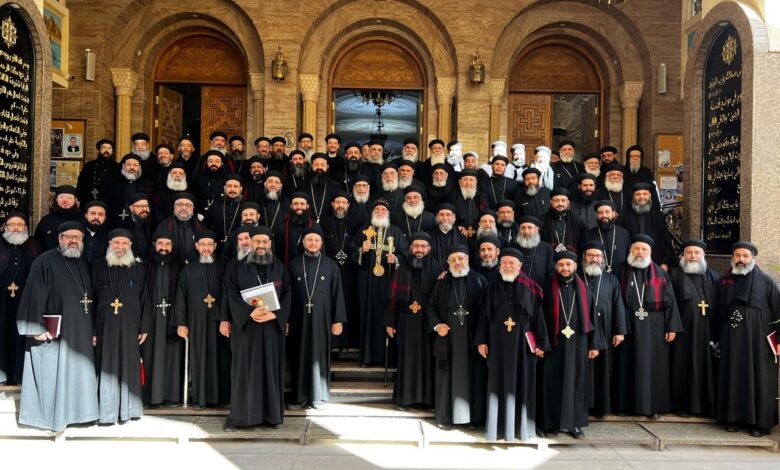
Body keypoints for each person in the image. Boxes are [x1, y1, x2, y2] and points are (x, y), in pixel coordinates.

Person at [16, 221, 98, 431]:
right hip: (53, 333)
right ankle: (52, 418)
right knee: (53, 375)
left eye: (77, 237)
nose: (73, 241)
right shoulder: (45, 261)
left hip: (80, 331)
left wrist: (92, 330)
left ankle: (80, 414)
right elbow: (34, 294)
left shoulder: (83, 262)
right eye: (69, 236)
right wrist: (36, 327)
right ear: (60, 238)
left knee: (78, 372)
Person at [223, 226, 290, 431]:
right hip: (246, 329)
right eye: (257, 241)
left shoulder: (280, 267)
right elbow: (231, 293)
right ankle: (241, 417)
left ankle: (272, 416)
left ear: (270, 244)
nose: (261, 245)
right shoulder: (236, 267)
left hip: (271, 328)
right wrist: (249, 312)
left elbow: (288, 295)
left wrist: (276, 315)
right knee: (244, 371)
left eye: (265, 242)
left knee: (271, 369)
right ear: (250, 242)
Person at [476, 248, 547, 442]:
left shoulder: (531, 287)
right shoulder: (492, 287)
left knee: (522, 383)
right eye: (504, 263)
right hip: (497, 344)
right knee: (496, 384)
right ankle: (497, 430)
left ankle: (520, 430)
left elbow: (538, 318)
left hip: (522, 347)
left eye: (511, 263)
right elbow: (484, 316)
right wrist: (482, 341)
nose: (507, 266)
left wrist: (541, 343)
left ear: (520, 265)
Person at [715, 241, 780, 437]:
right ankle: (733, 419)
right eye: (737, 255)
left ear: (753, 258)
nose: (741, 259)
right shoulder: (724, 282)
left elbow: (778, 312)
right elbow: (718, 312)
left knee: (759, 379)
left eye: (745, 256)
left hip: (758, 342)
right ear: (732, 258)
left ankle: (759, 424)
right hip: (732, 340)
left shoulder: (766, 282)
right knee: (733, 376)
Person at [615, 234, 682, 418]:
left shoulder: (660, 273)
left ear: (650, 252)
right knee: (627, 364)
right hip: (627, 324)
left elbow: (670, 301)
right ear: (630, 250)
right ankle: (625, 405)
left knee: (653, 367)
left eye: (644, 249)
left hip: (654, 327)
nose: (640, 252)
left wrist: (672, 327)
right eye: (636, 248)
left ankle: (653, 407)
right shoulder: (620, 270)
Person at [541, 250, 605, 438]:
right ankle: (551, 423)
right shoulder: (547, 288)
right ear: (556, 266)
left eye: (568, 264)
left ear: (575, 266)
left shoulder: (584, 290)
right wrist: (542, 343)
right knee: (553, 382)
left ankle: (575, 424)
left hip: (579, 344)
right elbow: (540, 318)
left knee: (577, 383)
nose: (565, 268)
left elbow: (593, 319)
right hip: (554, 344)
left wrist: (594, 344)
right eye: (561, 265)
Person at [92, 228, 150, 424]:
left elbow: (145, 298)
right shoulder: (98, 266)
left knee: (129, 365)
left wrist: (144, 326)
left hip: (130, 326)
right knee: (105, 365)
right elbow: (90, 299)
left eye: (124, 243)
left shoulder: (138, 267)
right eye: (116, 242)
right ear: (109, 244)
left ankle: (129, 410)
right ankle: (106, 413)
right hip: (104, 326)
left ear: (130, 245)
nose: (120, 246)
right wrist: (92, 329)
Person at [426, 244, 488, 428]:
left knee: (474, 378)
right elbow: (431, 308)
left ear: (467, 259)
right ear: (448, 262)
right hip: (448, 340)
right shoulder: (442, 281)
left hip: (472, 339)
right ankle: (446, 418)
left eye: (461, 258)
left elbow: (487, 312)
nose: (457, 262)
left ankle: (473, 419)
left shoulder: (480, 280)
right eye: (453, 260)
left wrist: (483, 337)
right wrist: (437, 325)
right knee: (446, 379)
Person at [287, 226, 346, 410]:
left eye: (316, 240)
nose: (313, 243)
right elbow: (287, 295)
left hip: (323, 318)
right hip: (298, 319)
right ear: (303, 242)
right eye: (309, 240)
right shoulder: (294, 265)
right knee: (299, 355)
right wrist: (286, 320)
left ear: (321, 243)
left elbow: (337, 293)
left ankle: (318, 398)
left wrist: (338, 320)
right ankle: (299, 398)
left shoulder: (330, 265)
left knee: (319, 356)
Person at [350, 199, 409, 366]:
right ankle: (367, 357)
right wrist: (362, 250)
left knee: (387, 315)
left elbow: (405, 253)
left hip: (389, 281)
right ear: (372, 213)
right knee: (368, 315)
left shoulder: (396, 232)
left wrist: (395, 258)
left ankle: (388, 358)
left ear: (388, 213)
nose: (380, 212)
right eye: (377, 209)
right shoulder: (365, 231)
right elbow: (353, 249)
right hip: (367, 281)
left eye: (383, 209)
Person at [174, 230, 229, 408]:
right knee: (199, 358)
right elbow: (180, 297)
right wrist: (181, 323)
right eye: (202, 245)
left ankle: (221, 398)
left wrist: (227, 318)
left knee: (221, 358)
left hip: (219, 321)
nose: (206, 248)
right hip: (195, 321)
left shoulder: (224, 267)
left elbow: (229, 294)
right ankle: (200, 398)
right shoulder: (188, 269)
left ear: (215, 246)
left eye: (209, 244)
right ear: (196, 246)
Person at [385, 232, 439, 410]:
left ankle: (428, 401)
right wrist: (390, 322)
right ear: (410, 248)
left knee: (428, 361)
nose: (419, 250)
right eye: (416, 246)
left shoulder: (438, 269)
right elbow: (392, 299)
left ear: (429, 248)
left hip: (428, 324)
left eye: (423, 246)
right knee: (407, 360)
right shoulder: (401, 269)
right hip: (406, 321)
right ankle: (405, 399)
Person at [669, 239, 719, 417]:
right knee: (683, 366)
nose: (693, 256)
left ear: (703, 255)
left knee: (706, 366)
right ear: (683, 255)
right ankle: (682, 406)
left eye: (697, 252)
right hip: (683, 330)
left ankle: (706, 406)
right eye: (689, 252)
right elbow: (670, 303)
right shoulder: (674, 274)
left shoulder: (713, 276)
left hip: (707, 331)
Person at [580, 241, 627, 418]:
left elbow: (618, 305)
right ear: (584, 257)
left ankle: (601, 408)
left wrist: (620, 331)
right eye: (591, 255)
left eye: (598, 256)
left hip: (606, 330)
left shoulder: (611, 279)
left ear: (603, 259)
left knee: (603, 370)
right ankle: (583, 407)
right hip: (582, 331)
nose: (594, 259)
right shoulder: (577, 277)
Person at [141, 230, 182, 407]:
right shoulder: (145, 265)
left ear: (173, 246)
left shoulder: (180, 265)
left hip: (172, 319)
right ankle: (148, 397)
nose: (163, 247)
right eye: (160, 244)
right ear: (154, 245)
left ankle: (171, 397)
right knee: (149, 356)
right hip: (150, 319)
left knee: (172, 357)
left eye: (167, 244)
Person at [0, 213, 41, 385]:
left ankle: (20, 375)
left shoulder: (34, 246)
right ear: (5, 227)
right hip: (2, 303)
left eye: (20, 225)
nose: (16, 228)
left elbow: (40, 276)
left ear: (26, 228)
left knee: (21, 338)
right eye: (12, 225)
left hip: (26, 303)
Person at [584, 200, 630, 280]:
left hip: (621, 278)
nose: (604, 215)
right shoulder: (588, 234)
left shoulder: (623, 233)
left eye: (607, 212)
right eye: (600, 213)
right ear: (596, 215)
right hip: (597, 279)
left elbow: (628, 257)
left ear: (614, 213)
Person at [34, 185, 83, 251]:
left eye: (70, 197)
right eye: (61, 197)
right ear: (56, 199)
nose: (65, 200)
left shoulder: (84, 220)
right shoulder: (46, 221)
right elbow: (36, 245)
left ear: (75, 200)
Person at [76, 139, 117, 205]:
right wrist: (78, 198)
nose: (106, 150)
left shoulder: (117, 166)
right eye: (103, 147)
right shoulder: (89, 165)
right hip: (89, 199)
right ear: (99, 150)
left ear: (112, 151)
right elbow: (81, 183)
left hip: (109, 201)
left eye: (109, 148)